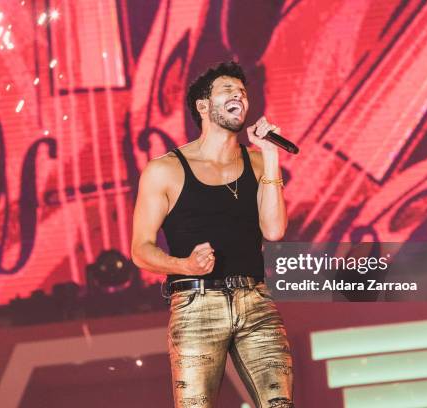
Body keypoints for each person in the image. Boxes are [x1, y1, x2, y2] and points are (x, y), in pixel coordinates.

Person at [131, 61, 294, 408]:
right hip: (196, 305)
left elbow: (275, 229)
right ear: (203, 106)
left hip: (256, 302)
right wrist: (184, 265)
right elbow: (140, 248)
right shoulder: (165, 170)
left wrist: (270, 155)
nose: (239, 95)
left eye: (243, 92)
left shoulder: (258, 162)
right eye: (227, 90)